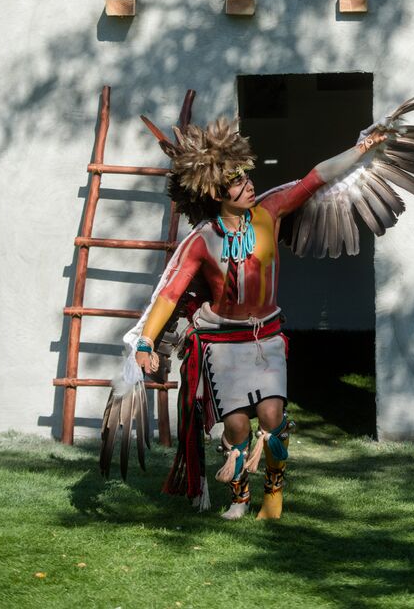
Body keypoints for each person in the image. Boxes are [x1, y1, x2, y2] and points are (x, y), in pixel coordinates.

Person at [132, 117, 384, 520]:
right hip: (221, 343)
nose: (248, 184)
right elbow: (169, 292)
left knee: (272, 417)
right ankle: (239, 496)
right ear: (215, 192)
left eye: (248, 176)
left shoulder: (269, 211)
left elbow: (315, 177)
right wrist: (145, 342)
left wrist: (362, 148)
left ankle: (273, 495)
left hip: (266, 337)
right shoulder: (201, 240)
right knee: (235, 428)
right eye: (237, 180)